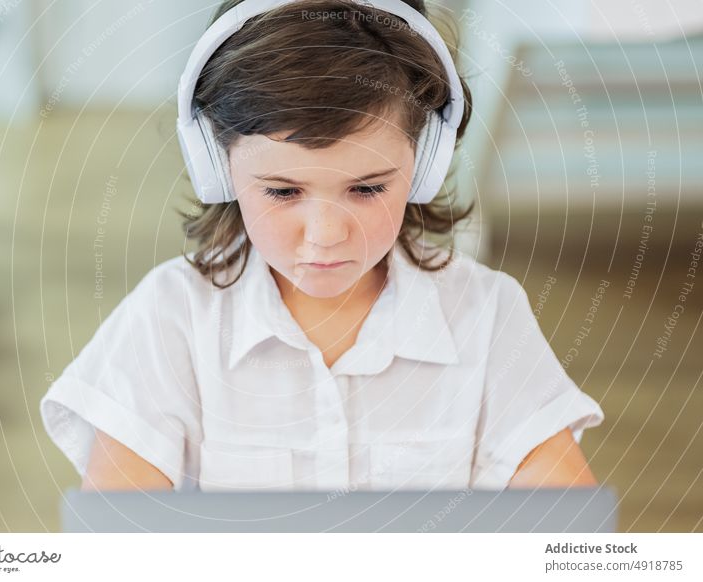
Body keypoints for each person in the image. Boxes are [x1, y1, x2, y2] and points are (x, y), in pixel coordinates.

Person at [40, 0, 604, 493]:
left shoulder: (485, 315)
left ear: (426, 163)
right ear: (216, 165)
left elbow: (563, 517)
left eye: (366, 188)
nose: (326, 235)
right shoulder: (170, 318)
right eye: (284, 191)